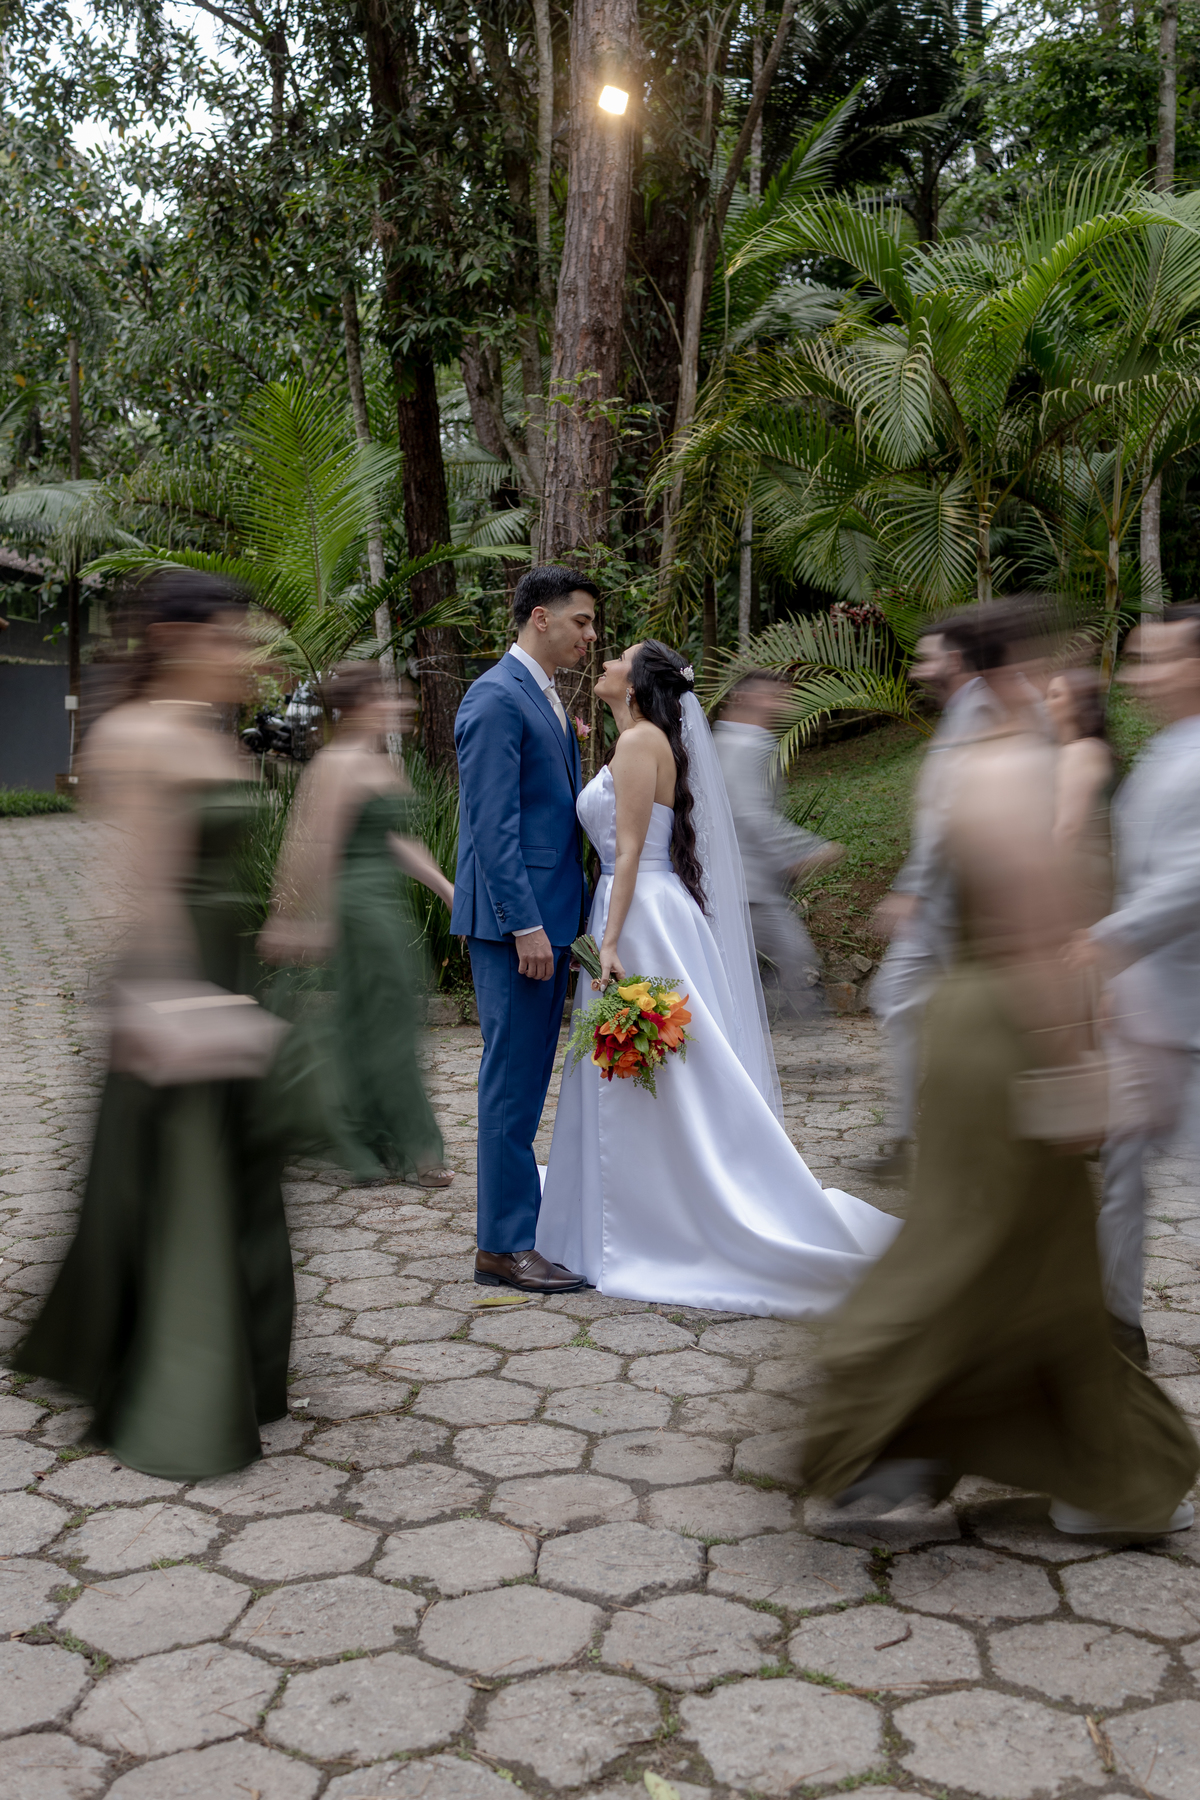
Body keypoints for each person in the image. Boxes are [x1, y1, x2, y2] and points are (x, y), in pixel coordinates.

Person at [803, 600, 1198, 1536]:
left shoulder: (979, 763)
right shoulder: (1018, 766)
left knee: (1016, 1259)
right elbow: (1037, 934)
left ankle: (956, 1460)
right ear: (1016, 668)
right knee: (999, 1257)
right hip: (1016, 1027)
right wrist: (1075, 1059)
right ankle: (1074, 1471)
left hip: (978, 1024)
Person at [14, 570, 296, 1480]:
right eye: (232, 639)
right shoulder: (134, 737)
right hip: (178, 980)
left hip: (232, 970)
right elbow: (134, 890)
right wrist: (173, 999)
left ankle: (243, 1367)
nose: (248, 656)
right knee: (182, 1185)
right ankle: (177, 1389)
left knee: (235, 1174)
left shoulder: (214, 735)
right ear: (178, 638)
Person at [535, 640, 901, 1317]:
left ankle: (662, 1210)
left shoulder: (641, 743)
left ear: (638, 685)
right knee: (652, 1064)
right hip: (634, 908)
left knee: (665, 1062)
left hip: (638, 916)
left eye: (618, 658)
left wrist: (609, 941)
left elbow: (635, 850)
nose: (607, 662)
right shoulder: (635, 739)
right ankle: (629, 1202)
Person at [452, 566, 597, 1294]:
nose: (590, 636)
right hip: (520, 930)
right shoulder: (494, 697)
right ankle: (502, 1247)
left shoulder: (541, 696)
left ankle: (517, 1229)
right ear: (540, 617)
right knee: (510, 1086)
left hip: (550, 925)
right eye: (582, 622)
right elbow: (491, 826)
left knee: (528, 1081)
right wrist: (525, 926)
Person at [260, 661, 455, 1188]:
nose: (401, 704)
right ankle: (410, 1147)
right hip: (354, 906)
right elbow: (313, 844)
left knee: (385, 1020)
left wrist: (446, 890)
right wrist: (303, 918)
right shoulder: (337, 762)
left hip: (386, 906)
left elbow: (396, 840)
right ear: (364, 704)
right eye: (390, 697)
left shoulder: (382, 761)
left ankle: (382, 1136)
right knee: (382, 1020)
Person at [1067, 608, 1200, 1369]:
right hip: (1150, 1003)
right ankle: (1119, 1324)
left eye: (1160, 660)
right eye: (1138, 661)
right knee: (1121, 1170)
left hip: (1188, 1007)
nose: (1143, 676)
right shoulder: (1159, 754)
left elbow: (1189, 878)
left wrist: (1107, 942)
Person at [854, 616, 1004, 1184]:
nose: (918, 669)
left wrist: (912, 887)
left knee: (964, 1015)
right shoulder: (964, 710)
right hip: (938, 904)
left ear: (958, 661)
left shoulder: (981, 708)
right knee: (896, 1001)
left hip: (959, 901)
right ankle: (907, 1136)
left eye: (928, 658)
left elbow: (952, 812)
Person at [714, 672, 843, 1023]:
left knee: (738, 970)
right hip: (752, 882)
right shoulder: (754, 744)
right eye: (774, 696)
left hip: (725, 879)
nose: (782, 704)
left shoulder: (718, 740)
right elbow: (751, 813)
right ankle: (815, 1048)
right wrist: (808, 851)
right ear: (744, 698)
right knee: (797, 958)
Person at [1045, 666, 1114, 924]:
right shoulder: (1089, 748)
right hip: (1089, 873)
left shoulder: (1080, 752)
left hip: (1081, 876)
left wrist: (1047, 888)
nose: (1046, 703)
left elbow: (1067, 828)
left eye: (1054, 695)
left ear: (1076, 704)